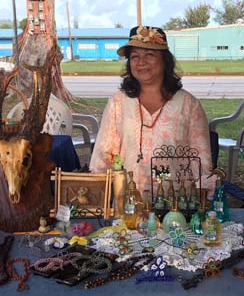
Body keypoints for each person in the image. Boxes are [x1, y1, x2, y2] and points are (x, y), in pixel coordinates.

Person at [90, 25, 214, 193]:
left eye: (149, 54)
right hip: (128, 201)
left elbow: (202, 160)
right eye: (135, 56)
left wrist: (204, 197)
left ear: (165, 60)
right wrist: (97, 194)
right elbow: (103, 155)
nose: (141, 62)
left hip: (176, 201)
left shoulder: (188, 105)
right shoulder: (118, 102)